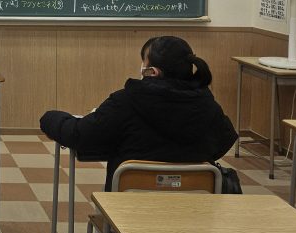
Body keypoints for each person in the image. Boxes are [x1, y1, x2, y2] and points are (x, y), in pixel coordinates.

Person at [40, 36, 237, 191]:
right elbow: (224, 141)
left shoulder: (126, 101)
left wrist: (50, 117)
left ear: (152, 71)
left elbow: (79, 135)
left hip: (126, 214)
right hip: (195, 211)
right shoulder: (207, 104)